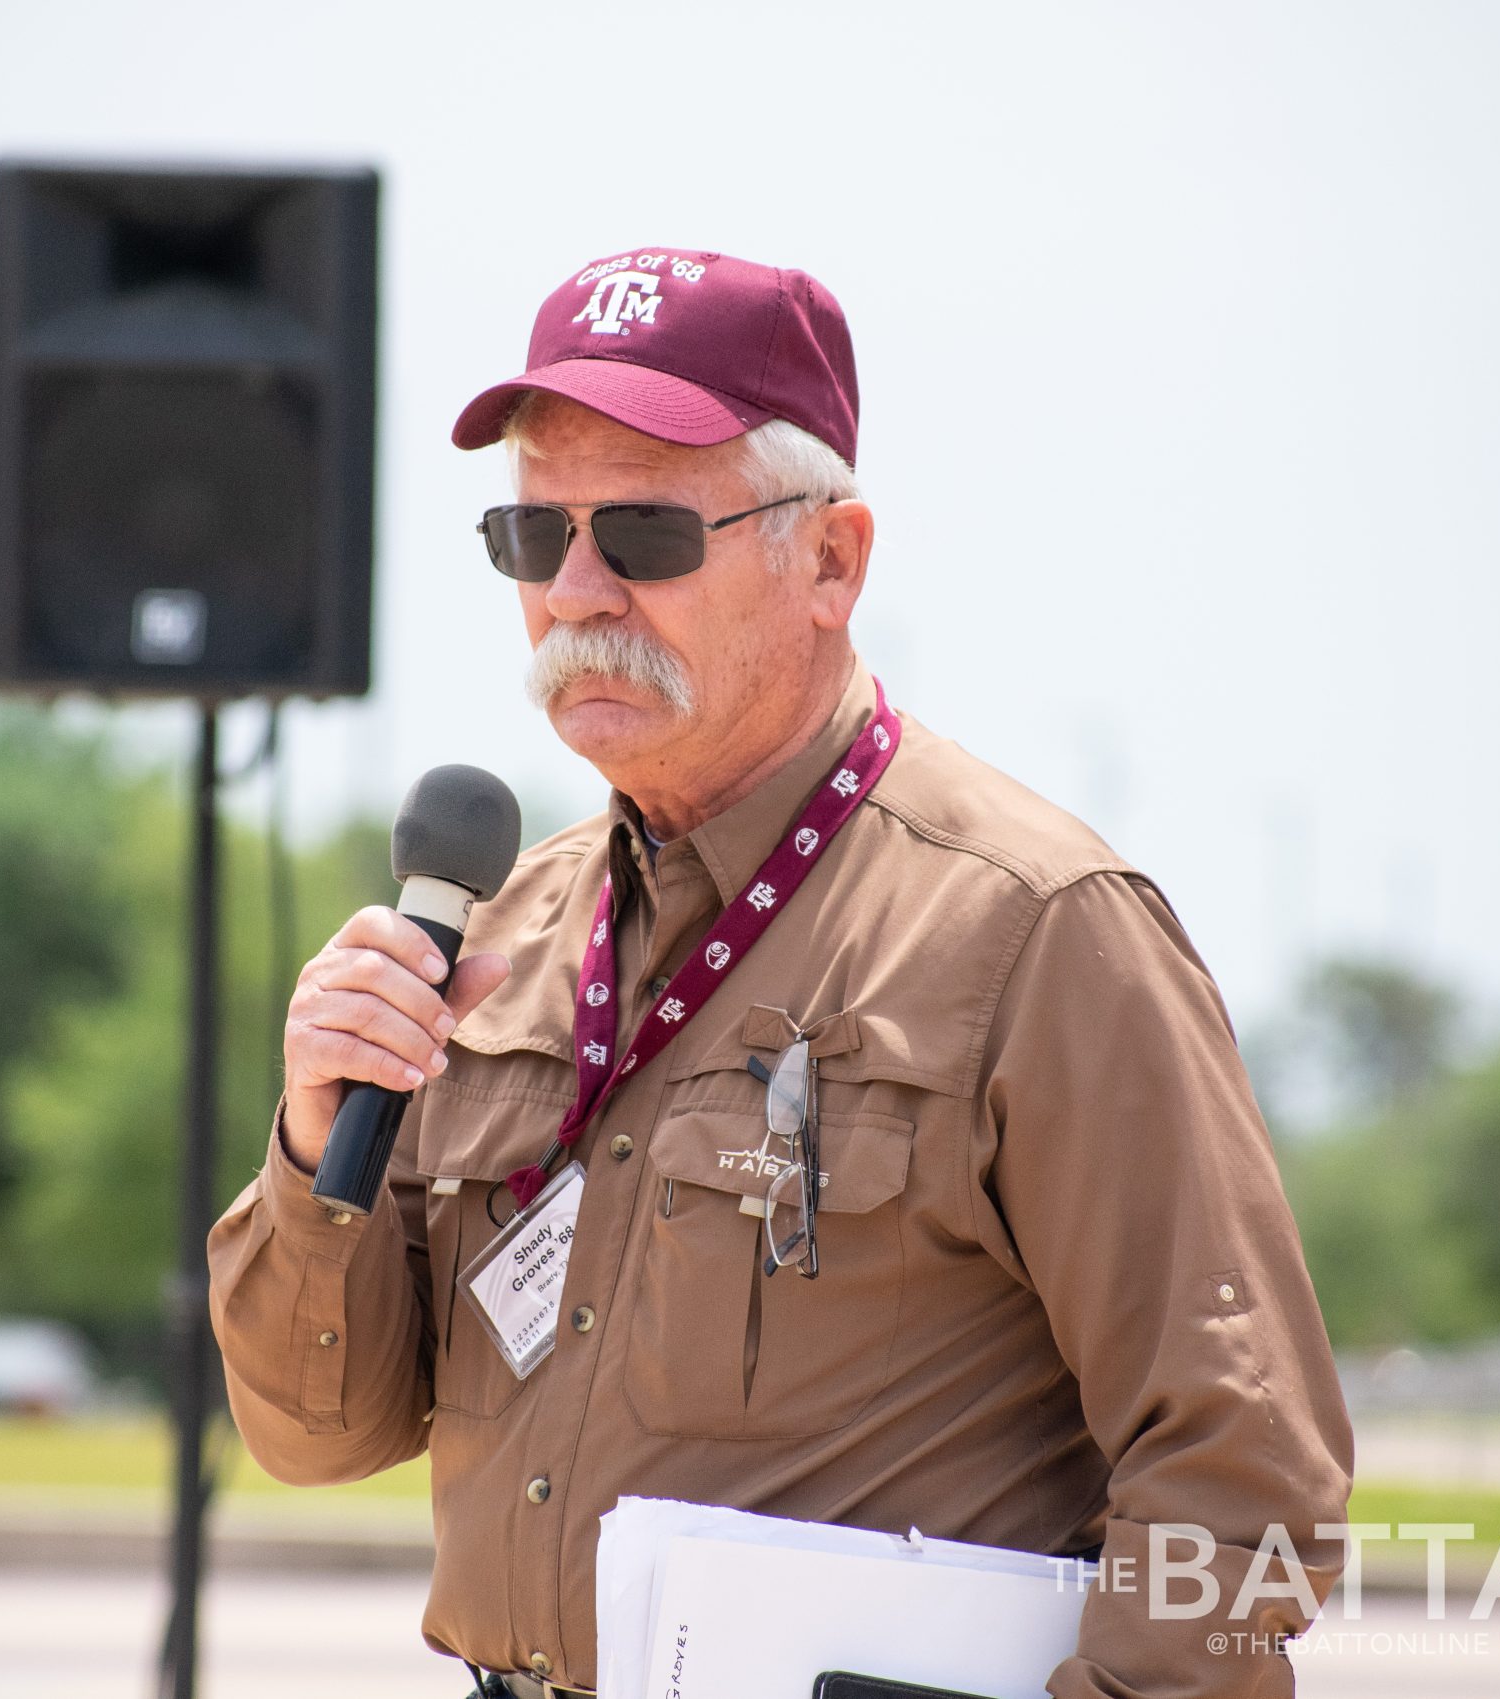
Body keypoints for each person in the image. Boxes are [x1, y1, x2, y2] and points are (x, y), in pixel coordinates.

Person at [208, 247, 1353, 1698]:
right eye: (528, 532)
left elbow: (1243, 1479)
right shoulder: (504, 927)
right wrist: (322, 1144)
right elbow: (316, 1432)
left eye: (643, 532)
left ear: (831, 560)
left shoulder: (1037, 930)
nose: (573, 589)